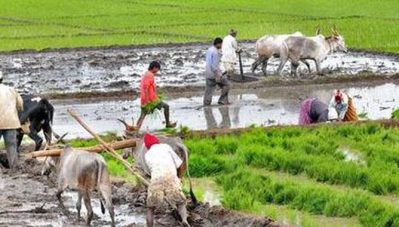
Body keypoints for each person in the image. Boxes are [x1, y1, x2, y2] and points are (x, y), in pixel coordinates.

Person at [143, 133, 189, 227]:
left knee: (150, 208)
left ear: (147, 146)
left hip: (156, 179)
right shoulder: (166, 147)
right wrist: (179, 178)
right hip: (171, 177)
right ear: (157, 141)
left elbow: (150, 171)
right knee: (181, 203)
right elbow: (179, 164)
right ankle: (184, 220)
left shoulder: (147, 154)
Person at [136, 61, 176, 130]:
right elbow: (146, 88)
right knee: (166, 106)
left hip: (145, 99)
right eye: (157, 69)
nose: (157, 71)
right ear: (154, 68)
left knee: (142, 115)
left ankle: (135, 129)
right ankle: (168, 124)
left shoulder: (146, 74)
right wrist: (148, 100)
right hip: (151, 100)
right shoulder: (150, 75)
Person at [0, 71, 23, 169]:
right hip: (11, 122)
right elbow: (20, 105)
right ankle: (14, 168)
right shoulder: (11, 89)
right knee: (12, 146)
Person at [204, 37, 231, 106]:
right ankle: (222, 100)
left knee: (208, 90)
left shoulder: (209, 50)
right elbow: (214, 66)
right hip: (214, 74)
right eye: (221, 44)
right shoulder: (215, 52)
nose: (221, 46)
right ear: (218, 44)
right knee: (227, 84)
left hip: (207, 73)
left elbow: (209, 63)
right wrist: (217, 75)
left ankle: (206, 104)